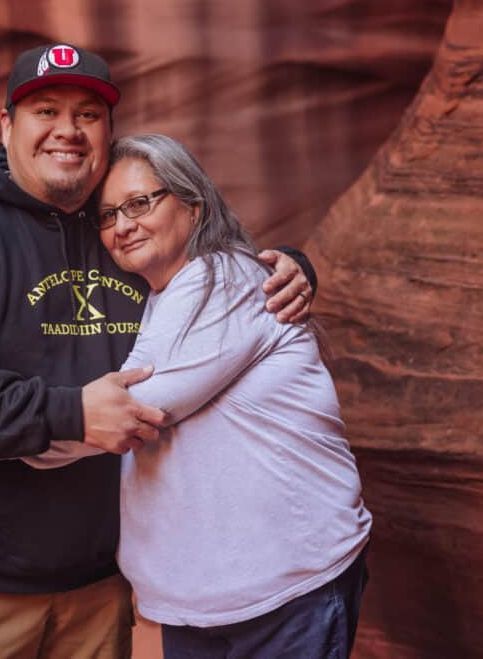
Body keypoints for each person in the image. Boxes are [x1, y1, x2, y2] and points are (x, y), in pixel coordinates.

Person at [0, 43, 317, 658]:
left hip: (100, 578)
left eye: (88, 114)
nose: (68, 130)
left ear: (109, 132)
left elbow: (216, 274)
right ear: (7, 127)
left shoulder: (121, 226)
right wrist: (69, 413)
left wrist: (291, 268)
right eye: (46, 111)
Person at [33, 133, 371, 658]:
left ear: (193, 206)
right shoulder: (156, 298)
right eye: (107, 216)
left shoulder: (225, 281)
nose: (122, 226)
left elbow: (128, 413)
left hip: (285, 587)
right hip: (207, 597)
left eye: (140, 203)